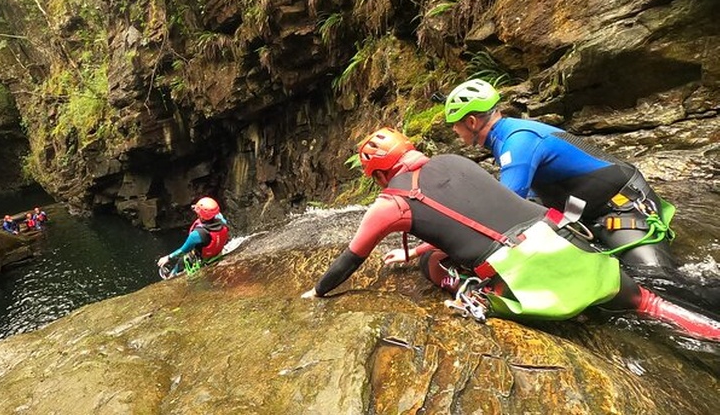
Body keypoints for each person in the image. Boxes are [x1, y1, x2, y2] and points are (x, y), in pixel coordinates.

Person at [301, 127, 720, 341]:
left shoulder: (387, 206)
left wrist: (317, 292)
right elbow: (480, 213)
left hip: (530, 278)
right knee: (650, 302)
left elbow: (348, 261)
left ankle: (474, 292)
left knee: (433, 263)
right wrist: (408, 250)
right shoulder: (454, 159)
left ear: (377, 173)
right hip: (568, 242)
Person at [442, 79, 675, 273]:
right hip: (584, 210)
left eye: (455, 124)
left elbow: (505, 206)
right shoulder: (509, 138)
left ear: (471, 122)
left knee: (655, 279)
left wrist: (446, 242)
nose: (454, 130)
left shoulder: (518, 142)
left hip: (623, 205)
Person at [157, 197, 230, 278]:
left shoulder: (197, 234)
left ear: (201, 216)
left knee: (183, 260)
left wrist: (168, 257)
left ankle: (172, 275)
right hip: (217, 253)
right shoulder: (222, 220)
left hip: (203, 259)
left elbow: (183, 251)